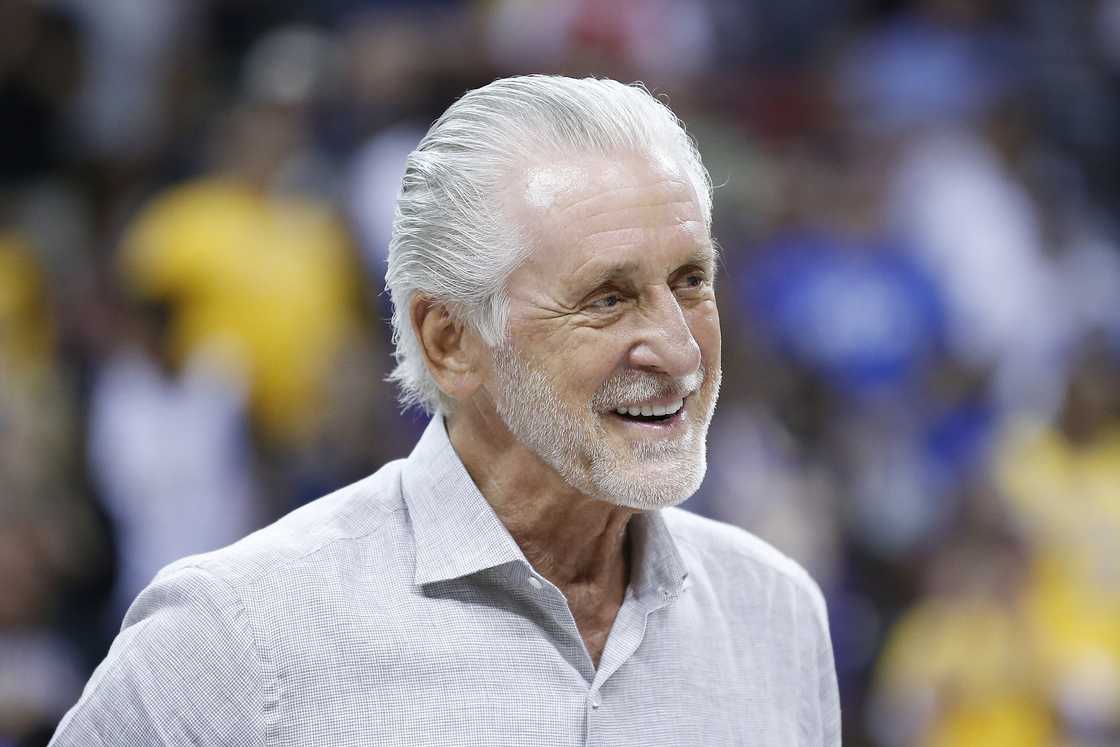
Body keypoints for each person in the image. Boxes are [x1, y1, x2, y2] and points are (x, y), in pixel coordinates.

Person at [51, 75, 841, 746]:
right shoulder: (234, 635)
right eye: (607, 298)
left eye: (692, 281)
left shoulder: (776, 614)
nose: (679, 348)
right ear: (450, 340)